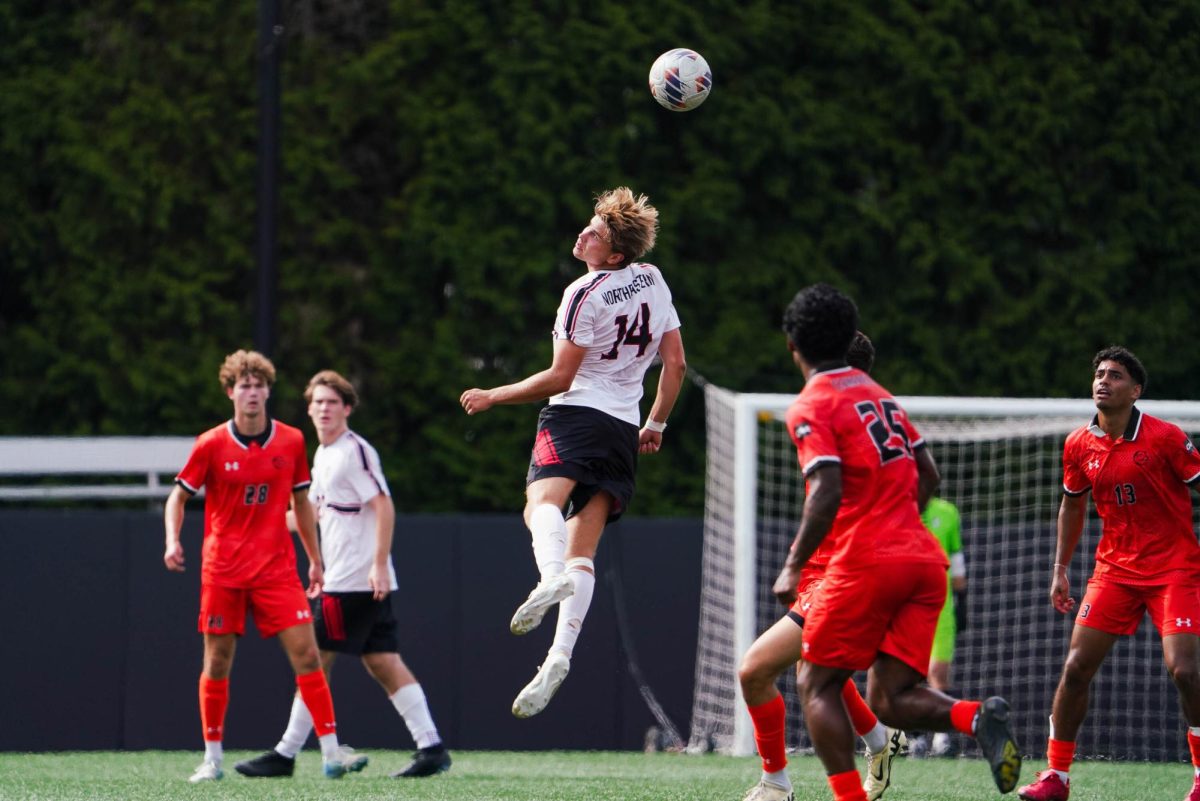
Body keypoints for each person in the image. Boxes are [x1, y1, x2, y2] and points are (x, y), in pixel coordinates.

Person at [755, 284, 1020, 801]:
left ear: (794, 346)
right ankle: (974, 716)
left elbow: (827, 488)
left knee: (817, 684)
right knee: (891, 699)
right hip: (923, 560)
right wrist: (897, 519)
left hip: (866, 561)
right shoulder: (882, 398)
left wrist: (793, 565)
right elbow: (931, 474)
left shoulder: (812, 402)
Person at [459, 187, 686, 718]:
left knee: (540, 503)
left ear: (614, 256)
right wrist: (655, 422)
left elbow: (561, 377)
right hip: (623, 429)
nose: (583, 233)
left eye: (597, 233)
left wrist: (495, 394)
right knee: (584, 548)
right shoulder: (653, 280)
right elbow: (674, 365)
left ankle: (547, 577)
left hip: (577, 415)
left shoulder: (582, 293)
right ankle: (558, 656)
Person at [234, 370, 452, 780]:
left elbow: (384, 505)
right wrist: (254, 525)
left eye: (332, 402)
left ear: (347, 408)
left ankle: (285, 753)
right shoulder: (323, 453)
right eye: (317, 403)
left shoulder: (355, 451)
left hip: (354, 580)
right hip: (348, 578)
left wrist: (377, 564)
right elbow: (309, 513)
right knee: (383, 661)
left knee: (312, 659)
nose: (323, 409)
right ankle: (432, 747)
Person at [163, 350, 364, 782]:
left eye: (259, 385)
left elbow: (302, 503)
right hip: (224, 570)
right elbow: (178, 496)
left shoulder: (291, 440)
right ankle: (212, 759)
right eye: (244, 385)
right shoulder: (212, 443)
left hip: (275, 568)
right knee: (217, 662)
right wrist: (171, 540)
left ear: (268, 391)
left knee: (309, 655)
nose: (252, 392)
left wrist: (315, 560)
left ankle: (331, 753)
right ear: (231, 392)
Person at [1017, 346, 1200, 801]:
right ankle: (1055, 778)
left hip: (1174, 569)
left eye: (1115, 375)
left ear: (1135, 391)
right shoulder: (1079, 444)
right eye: (1099, 374)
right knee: (1076, 667)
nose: (1103, 381)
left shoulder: (1166, 438)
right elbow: (1072, 505)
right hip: (1114, 571)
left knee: (1185, 672)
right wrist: (1060, 569)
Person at [740, 330, 906, 801]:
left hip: (841, 569)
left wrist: (795, 564)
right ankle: (880, 740)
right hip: (828, 564)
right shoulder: (878, 415)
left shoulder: (828, 412)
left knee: (755, 670)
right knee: (810, 672)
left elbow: (833, 493)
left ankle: (776, 783)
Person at [911, 494, 967, 758]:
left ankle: (942, 737)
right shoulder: (897, 509)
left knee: (938, 672)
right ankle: (916, 737)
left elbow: (956, 558)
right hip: (907, 606)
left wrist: (962, 600)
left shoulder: (947, 512)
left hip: (942, 608)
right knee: (910, 672)